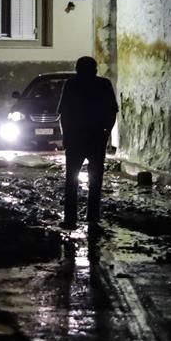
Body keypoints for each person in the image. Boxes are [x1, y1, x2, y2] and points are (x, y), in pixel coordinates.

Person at [57, 56, 118, 229]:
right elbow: (112, 112)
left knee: (71, 180)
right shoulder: (103, 84)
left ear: (77, 69)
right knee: (95, 179)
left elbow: (64, 114)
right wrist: (106, 132)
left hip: (76, 138)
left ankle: (70, 219)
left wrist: (65, 136)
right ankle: (92, 216)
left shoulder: (71, 84)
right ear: (95, 69)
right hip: (96, 137)